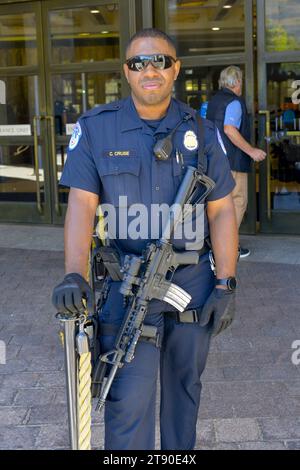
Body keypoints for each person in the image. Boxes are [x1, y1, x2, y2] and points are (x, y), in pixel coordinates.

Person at [52, 28, 238, 450]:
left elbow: (222, 208)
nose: (149, 69)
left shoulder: (204, 133)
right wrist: (72, 274)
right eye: (139, 63)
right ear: (126, 72)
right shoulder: (97, 129)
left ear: (176, 69)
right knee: (126, 398)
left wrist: (227, 282)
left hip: (191, 287)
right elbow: (81, 205)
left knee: (184, 393)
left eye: (160, 60)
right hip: (127, 284)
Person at [207, 66, 266, 258]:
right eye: (241, 80)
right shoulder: (233, 102)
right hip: (232, 162)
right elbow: (229, 129)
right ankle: (228, 247)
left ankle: (217, 244)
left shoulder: (214, 100)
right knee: (238, 202)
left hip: (216, 161)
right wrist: (252, 151)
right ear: (237, 82)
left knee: (220, 205)